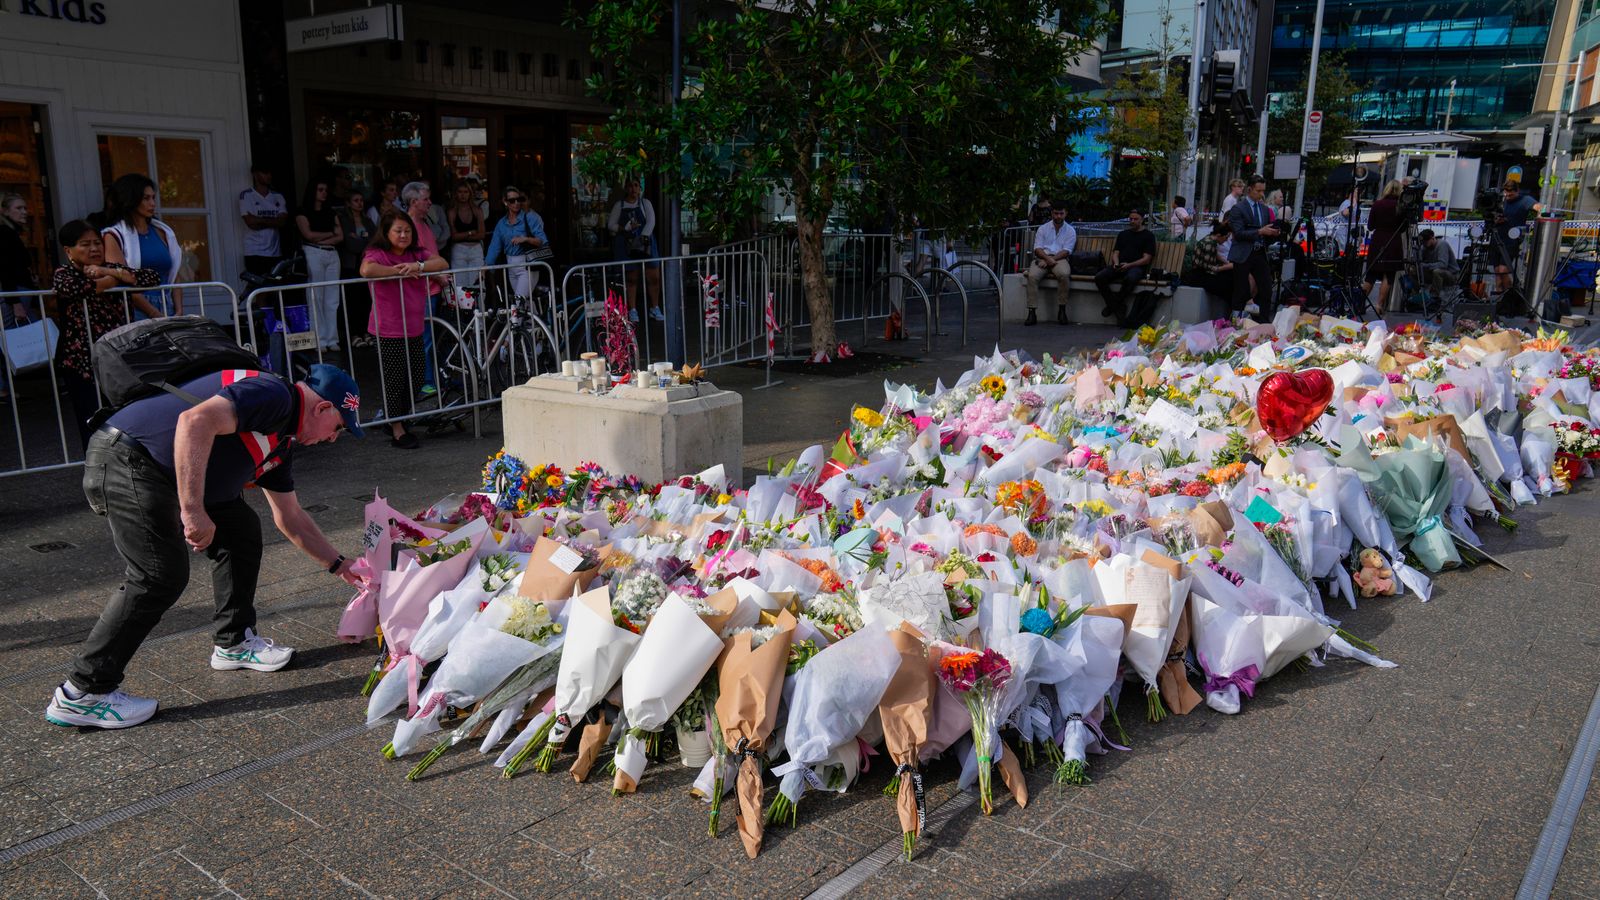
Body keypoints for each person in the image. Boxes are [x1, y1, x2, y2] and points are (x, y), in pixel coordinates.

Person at [43, 361, 366, 730]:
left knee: (241, 529)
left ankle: (234, 642)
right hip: (128, 459)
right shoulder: (275, 396)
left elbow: (290, 516)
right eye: (338, 427)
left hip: (158, 469)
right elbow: (194, 422)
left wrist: (341, 565)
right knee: (159, 574)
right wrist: (193, 510)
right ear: (323, 407)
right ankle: (82, 692)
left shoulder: (280, 441)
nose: (333, 438)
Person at [51, 221, 163, 446]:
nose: (94, 249)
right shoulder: (64, 273)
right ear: (68, 250)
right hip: (81, 360)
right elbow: (75, 289)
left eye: (96, 243)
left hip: (118, 356)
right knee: (92, 418)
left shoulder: (110, 267)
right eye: (85, 244)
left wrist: (105, 271)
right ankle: (97, 470)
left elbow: (151, 278)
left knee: (125, 416)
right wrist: (115, 279)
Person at [360, 210, 446, 449]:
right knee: (395, 379)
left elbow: (441, 262)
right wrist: (400, 271)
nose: (403, 235)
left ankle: (396, 418)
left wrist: (417, 265)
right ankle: (398, 428)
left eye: (407, 230)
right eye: (398, 230)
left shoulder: (417, 253)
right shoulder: (377, 253)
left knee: (417, 377)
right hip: (388, 328)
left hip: (414, 325)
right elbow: (366, 270)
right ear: (386, 233)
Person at [102, 174, 184, 318]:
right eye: (146, 198)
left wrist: (179, 310)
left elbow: (175, 273)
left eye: (153, 198)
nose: (152, 203)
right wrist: (154, 313)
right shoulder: (114, 235)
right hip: (136, 310)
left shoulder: (162, 231)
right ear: (130, 199)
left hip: (167, 305)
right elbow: (122, 281)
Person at [400, 182, 446, 396]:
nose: (429, 202)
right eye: (426, 199)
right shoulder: (407, 227)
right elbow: (414, 259)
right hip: (421, 290)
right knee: (423, 338)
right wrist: (438, 276)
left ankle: (429, 379)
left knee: (429, 337)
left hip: (432, 289)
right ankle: (425, 382)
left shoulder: (424, 223)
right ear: (413, 201)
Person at [295, 177, 345, 354]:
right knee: (316, 296)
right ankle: (320, 339)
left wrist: (323, 236)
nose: (323, 193)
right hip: (313, 251)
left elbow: (340, 236)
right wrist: (329, 233)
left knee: (332, 297)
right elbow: (308, 235)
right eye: (320, 189)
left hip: (331, 252)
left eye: (325, 190)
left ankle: (332, 338)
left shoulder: (330, 212)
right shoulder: (302, 212)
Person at [0, 193, 39, 403]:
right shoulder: (4, 234)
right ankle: (3, 387)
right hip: (13, 294)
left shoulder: (12, 233)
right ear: (4, 211)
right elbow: (4, 269)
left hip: (18, 291)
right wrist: (14, 302)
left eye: (25, 208)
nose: (24, 212)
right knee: (7, 339)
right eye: (19, 208)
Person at [608, 179, 663, 321]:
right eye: (630, 186)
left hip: (646, 243)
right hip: (626, 244)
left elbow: (651, 221)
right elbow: (611, 225)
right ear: (626, 188)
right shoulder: (618, 206)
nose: (633, 188)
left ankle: (654, 307)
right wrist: (624, 229)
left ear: (640, 188)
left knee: (654, 277)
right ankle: (632, 310)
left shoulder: (646, 203)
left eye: (636, 185)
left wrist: (642, 238)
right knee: (631, 278)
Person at [1225, 176, 1280, 317]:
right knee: (1241, 290)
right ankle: (1236, 323)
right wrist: (1260, 231)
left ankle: (1263, 323)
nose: (1262, 194)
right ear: (1250, 189)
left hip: (1259, 252)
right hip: (1243, 253)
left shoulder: (1264, 209)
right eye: (1259, 191)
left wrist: (1272, 233)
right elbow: (1238, 233)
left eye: (1263, 191)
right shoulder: (1238, 208)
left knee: (1266, 288)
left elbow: (1264, 230)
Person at [485, 184, 550, 301]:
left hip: (527, 265)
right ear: (505, 202)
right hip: (511, 266)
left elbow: (543, 241)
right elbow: (494, 249)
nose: (516, 203)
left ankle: (527, 319)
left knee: (519, 303)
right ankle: (537, 319)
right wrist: (485, 269)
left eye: (519, 199)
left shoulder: (529, 217)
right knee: (525, 305)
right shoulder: (501, 224)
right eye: (512, 200)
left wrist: (525, 239)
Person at [1092, 210, 1157, 326]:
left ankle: (1113, 306)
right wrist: (1116, 263)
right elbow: (1116, 253)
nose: (1132, 221)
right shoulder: (1123, 234)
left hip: (1136, 267)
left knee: (1130, 278)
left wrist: (1129, 265)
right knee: (1099, 277)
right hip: (1120, 265)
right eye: (1130, 219)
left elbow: (1146, 259)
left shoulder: (1149, 236)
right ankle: (1118, 306)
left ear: (1142, 220)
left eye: (1135, 219)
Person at [1023, 204, 1076, 326]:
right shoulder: (1043, 228)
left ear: (1065, 213)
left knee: (1064, 274)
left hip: (1060, 259)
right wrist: (1047, 259)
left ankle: (1062, 310)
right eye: (1056, 213)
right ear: (1052, 213)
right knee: (1032, 276)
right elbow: (1037, 248)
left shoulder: (1070, 230)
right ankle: (1032, 312)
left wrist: (1050, 260)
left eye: (1061, 213)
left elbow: (1067, 250)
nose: (1058, 216)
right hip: (1042, 258)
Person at [335, 192, 375, 348]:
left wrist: (360, 240)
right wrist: (363, 242)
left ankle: (366, 331)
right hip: (350, 266)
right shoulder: (344, 220)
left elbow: (375, 239)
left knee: (366, 300)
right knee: (352, 302)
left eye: (361, 200)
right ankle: (353, 334)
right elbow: (350, 244)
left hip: (365, 265)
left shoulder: (367, 220)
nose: (360, 203)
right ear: (348, 203)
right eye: (356, 200)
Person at [1360, 179, 1405, 313]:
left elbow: (1370, 226)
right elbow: (1403, 227)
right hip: (1393, 242)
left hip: (1378, 241)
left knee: (1371, 275)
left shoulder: (1377, 204)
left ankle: (1360, 303)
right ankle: (1379, 305)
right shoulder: (1400, 206)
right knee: (1388, 275)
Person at [239, 162, 288, 283]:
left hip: (275, 251)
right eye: (265, 173)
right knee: (258, 286)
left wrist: (259, 220)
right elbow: (250, 223)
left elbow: (282, 222)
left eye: (270, 173)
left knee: (273, 286)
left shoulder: (278, 196)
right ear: (255, 175)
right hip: (254, 251)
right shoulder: (247, 195)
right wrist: (273, 221)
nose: (268, 176)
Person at [1493, 180, 1539, 295]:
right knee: (1497, 273)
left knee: (1503, 270)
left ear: (1517, 191)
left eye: (1511, 194)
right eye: (1506, 194)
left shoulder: (1525, 200)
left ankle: (1510, 296)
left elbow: (1539, 207)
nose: (1508, 196)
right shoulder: (1502, 200)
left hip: (1511, 240)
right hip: (1497, 237)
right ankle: (1499, 300)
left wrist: (1541, 214)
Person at [447, 182, 487, 289]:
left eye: (466, 192)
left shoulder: (477, 210)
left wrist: (462, 235)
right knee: (460, 286)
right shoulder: (452, 212)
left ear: (470, 193)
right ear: (455, 194)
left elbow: (482, 234)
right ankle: (463, 306)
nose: (463, 195)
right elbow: (453, 236)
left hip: (476, 249)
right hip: (459, 250)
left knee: (478, 284)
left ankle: (479, 306)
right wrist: (470, 233)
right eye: (460, 192)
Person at [1185, 219, 1236, 302]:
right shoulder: (1210, 244)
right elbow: (1207, 267)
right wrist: (1224, 267)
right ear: (1219, 235)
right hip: (1199, 277)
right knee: (1228, 283)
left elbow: (1215, 256)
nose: (1226, 240)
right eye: (1226, 238)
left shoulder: (1209, 239)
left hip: (1201, 274)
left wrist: (1226, 263)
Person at [1418, 229, 1459, 301]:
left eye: (1426, 241)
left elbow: (1443, 264)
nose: (1424, 243)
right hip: (1434, 272)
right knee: (1413, 270)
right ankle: (1417, 295)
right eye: (1423, 242)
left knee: (1437, 272)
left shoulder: (1442, 244)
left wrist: (1425, 265)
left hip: (1451, 274)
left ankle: (1434, 297)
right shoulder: (1425, 247)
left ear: (1432, 238)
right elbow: (1420, 261)